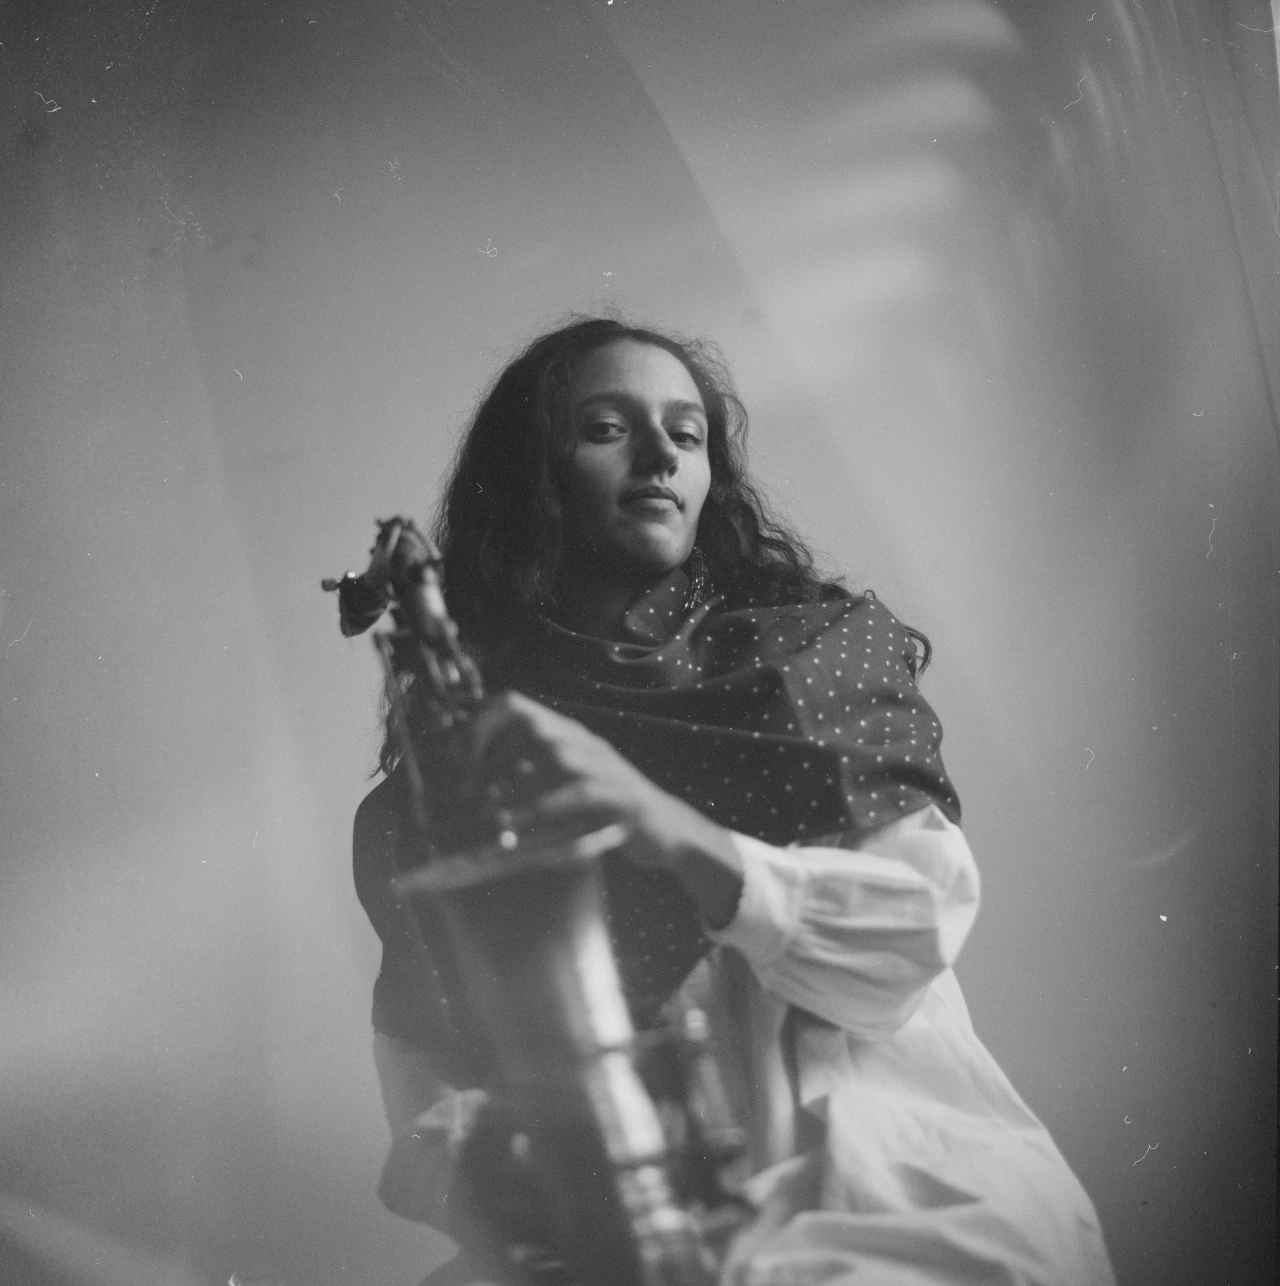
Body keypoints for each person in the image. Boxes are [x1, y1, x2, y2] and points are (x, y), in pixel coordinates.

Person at [352, 317, 1116, 1286]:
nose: (660, 451)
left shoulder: (809, 656)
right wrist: (516, 1156)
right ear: (528, 474)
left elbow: (906, 938)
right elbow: (427, 1090)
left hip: (890, 1193)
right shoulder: (438, 785)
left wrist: (653, 818)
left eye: (686, 430)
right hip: (621, 1240)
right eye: (604, 426)